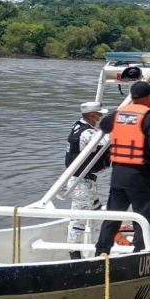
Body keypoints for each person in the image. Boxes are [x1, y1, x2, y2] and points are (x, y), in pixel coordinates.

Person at [94, 81, 150, 255]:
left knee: (113, 215)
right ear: (148, 98)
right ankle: (140, 251)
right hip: (140, 176)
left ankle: (101, 252)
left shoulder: (118, 115)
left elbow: (103, 125)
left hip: (117, 176)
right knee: (144, 215)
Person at [64, 101, 111, 258]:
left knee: (96, 212)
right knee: (78, 219)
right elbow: (106, 143)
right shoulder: (87, 133)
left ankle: (98, 245)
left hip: (84, 180)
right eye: (99, 115)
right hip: (81, 182)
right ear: (92, 115)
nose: (100, 117)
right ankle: (74, 255)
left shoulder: (77, 127)